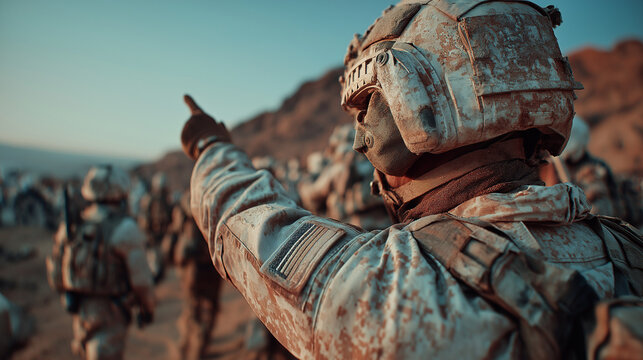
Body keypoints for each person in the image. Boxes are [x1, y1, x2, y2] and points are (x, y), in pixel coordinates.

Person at [179, 1, 642, 359]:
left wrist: (211, 147)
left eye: (368, 110)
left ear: (422, 107)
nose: (363, 144)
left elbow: (244, 226)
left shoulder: (397, 290)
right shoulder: (629, 248)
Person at [46, 165, 155, 360]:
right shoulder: (126, 228)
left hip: (80, 311)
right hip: (111, 312)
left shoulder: (72, 226)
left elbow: (55, 273)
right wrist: (148, 308)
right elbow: (141, 282)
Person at [540, 116, 642, 228]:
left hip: (602, 222)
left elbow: (603, 203)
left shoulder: (595, 167)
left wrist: (588, 196)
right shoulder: (551, 166)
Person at [298, 124, 391, 230]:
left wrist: (305, 184)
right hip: (380, 228)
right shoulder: (377, 164)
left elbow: (312, 196)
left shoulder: (337, 169)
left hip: (350, 232)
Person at [170, 191, 223, 360]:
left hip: (190, 269)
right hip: (209, 268)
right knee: (207, 312)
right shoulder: (216, 198)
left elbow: (175, 229)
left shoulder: (186, 200)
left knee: (192, 310)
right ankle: (197, 352)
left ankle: (185, 349)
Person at [138, 172, 172, 283]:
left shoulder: (167, 200)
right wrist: (147, 233)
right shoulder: (149, 199)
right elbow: (144, 218)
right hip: (152, 235)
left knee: (161, 260)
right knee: (153, 260)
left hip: (164, 234)